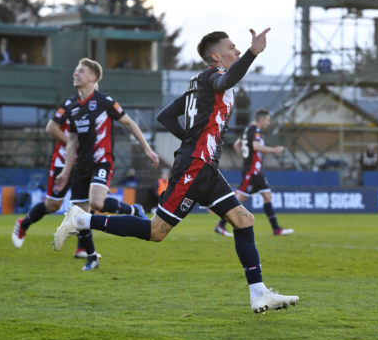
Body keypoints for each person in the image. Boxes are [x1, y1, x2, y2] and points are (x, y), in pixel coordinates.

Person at [53, 28, 299, 313]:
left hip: (205, 165)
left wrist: (191, 140)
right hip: (195, 166)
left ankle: (259, 294)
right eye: (232, 47)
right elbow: (227, 79)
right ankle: (82, 221)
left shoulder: (199, 83)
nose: (238, 50)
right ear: (216, 56)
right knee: (156, 231)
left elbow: (165, 116)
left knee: (243, 220)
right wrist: (254, 52)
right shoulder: (213, 77)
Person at [53, 57, 159, 270]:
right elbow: (72, 141)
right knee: (80, 214)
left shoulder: (104, 101)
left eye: (80, 71)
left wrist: (146, 148)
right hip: (80, 166)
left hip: (102, 160)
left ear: (92, 77)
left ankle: (131, 209)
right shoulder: (73, 107)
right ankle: (92, 256)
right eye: (76, 70)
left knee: (98, 203)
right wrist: (66, 171)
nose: (75, 74)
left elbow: (129, 123)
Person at [11, 113, 89, 258]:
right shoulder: (69, 106)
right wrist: (75, 146)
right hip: (62, 162)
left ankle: (82, 247)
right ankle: (24, 223)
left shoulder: (99, 105)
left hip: (84, 163)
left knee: (84, 204)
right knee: (53, 205)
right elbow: (52, 128)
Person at [214, 109, 294, 237]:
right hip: (252, 170)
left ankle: (276, 229)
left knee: (267, 196)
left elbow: (236, 144)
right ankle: (220, 225)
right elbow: (256, 147)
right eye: (267, 120)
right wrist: (274, 150)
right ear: (261, 120)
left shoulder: (248, 130)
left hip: (254, 170)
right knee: (240, 198)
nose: (268, 123)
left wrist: (245, 157)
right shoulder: (255, 131)